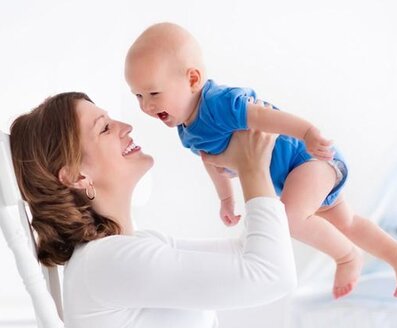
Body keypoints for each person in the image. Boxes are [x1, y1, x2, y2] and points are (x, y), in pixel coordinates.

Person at [124, 22, 397, 299]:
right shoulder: (185, 130)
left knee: (289, 219)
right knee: (346, 221)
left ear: (193, 79)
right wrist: (225, 199)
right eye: (138, 96)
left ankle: (348, 257)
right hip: (293, 178)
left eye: (153, 93)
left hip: (308, 159)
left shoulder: (218, 103)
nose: (146, 106)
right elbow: (210, 161)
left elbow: (264, 116)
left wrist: (307, 132)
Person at [10, 92, 297, 328]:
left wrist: (249, 165)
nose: (126, 127)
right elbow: (272, 275)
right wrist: (252, 169)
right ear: (76, 176)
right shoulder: (108, 262)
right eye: (106, 128)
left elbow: (250, 253)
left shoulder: (124, 252)